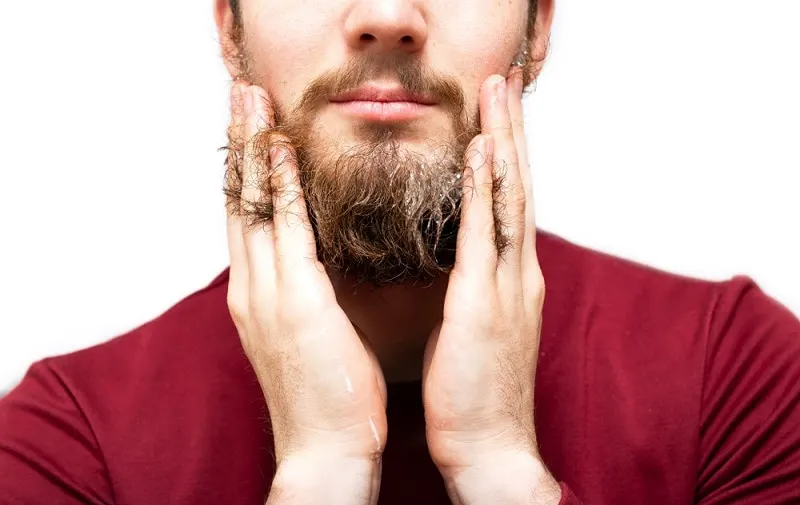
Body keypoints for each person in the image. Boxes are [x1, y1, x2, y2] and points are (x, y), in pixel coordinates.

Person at [1, 0, 799, 503]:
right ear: (228, 28)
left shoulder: (735, 376)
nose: (386, 14)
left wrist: (499, 468)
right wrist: (321, 472)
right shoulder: (66, 448)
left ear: (540, 26)